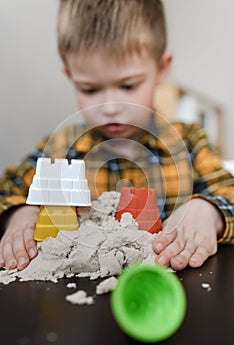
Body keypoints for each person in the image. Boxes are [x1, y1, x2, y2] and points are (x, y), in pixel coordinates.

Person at [0, 0, 233, 273]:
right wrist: (17, 214)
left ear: (161, 69)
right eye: (89, 89)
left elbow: (227, 190)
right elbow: (8, 188)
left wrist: (209, 212)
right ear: (70, 76)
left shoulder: (188, 142)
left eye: (128, 85)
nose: (110, 107)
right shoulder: (61, 149)